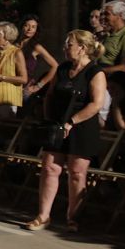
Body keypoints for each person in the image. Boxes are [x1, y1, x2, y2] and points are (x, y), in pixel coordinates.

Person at [24, 31, 107, 232]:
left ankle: (73, 218)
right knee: (49, 168)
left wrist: (72, 121)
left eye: (69, 44)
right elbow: (50, 96)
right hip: (57, 124)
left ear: (82, 48)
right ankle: (43, 215)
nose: (65, 48)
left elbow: (96, 104)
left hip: (82, 126)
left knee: (77, 172)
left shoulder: (95, 72)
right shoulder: (62, 69)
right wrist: (49, 120)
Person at [0, 21, 28, 120]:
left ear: (7, 36)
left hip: (6, 100)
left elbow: (24, 79)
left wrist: (0, 77)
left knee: (4, 131)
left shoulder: (16, 53)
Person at [19, 16, 59, 103]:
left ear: (36, 30)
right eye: (27, 25)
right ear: (22, 26)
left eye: (33, 27)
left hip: (24, 90)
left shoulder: (36, 47)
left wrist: (38, 86)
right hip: (10, 86)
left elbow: (55, 66)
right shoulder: (13, 44)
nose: (30, 29)